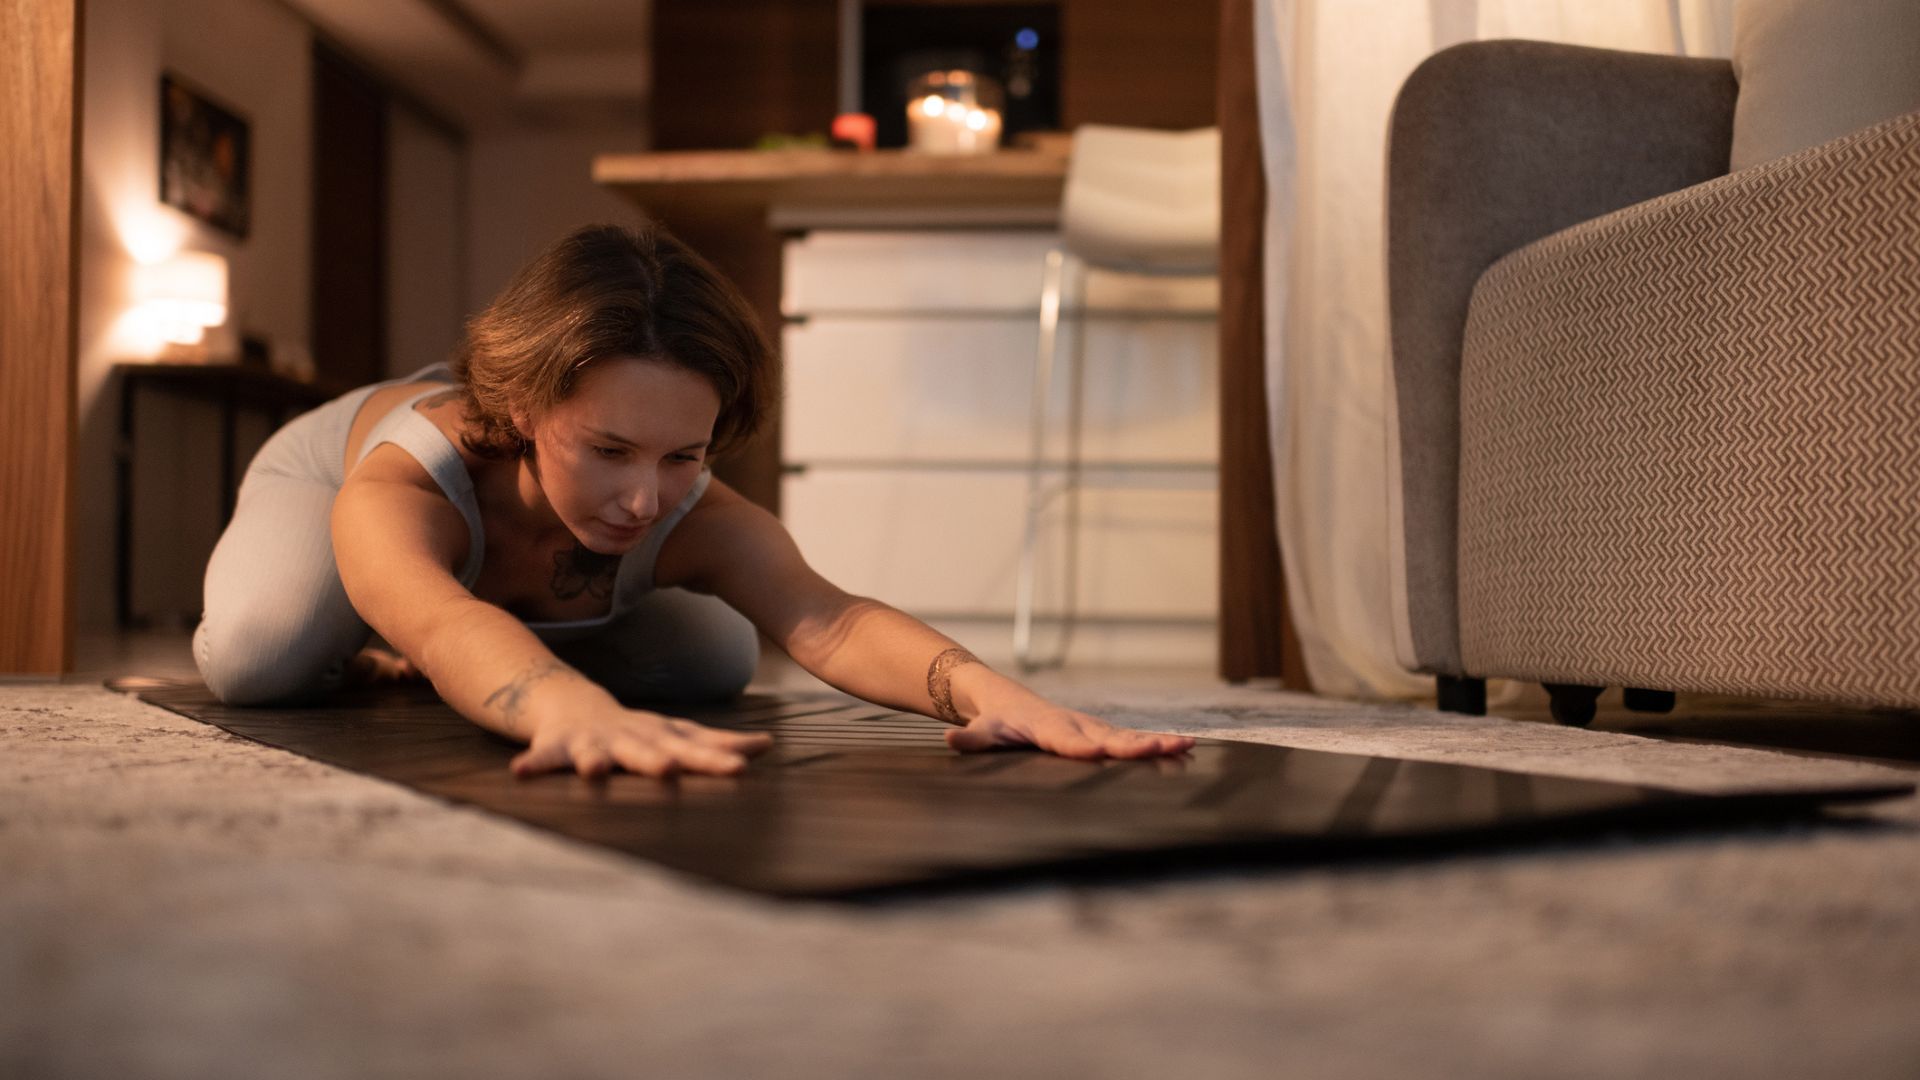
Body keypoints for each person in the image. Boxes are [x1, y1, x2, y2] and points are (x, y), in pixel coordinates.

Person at [195, 223, 1193, 777]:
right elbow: (445, 618)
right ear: (531, 406)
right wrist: (567, 708)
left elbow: (833, 621)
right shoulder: (408, 476)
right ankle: (371, 636)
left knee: (712, 658)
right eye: (610, 449)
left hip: (509, 577)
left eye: (684, 454)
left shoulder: (685, 505)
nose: (643, 500)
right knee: (264, 653)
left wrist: (1000, 695)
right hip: (324, 479)